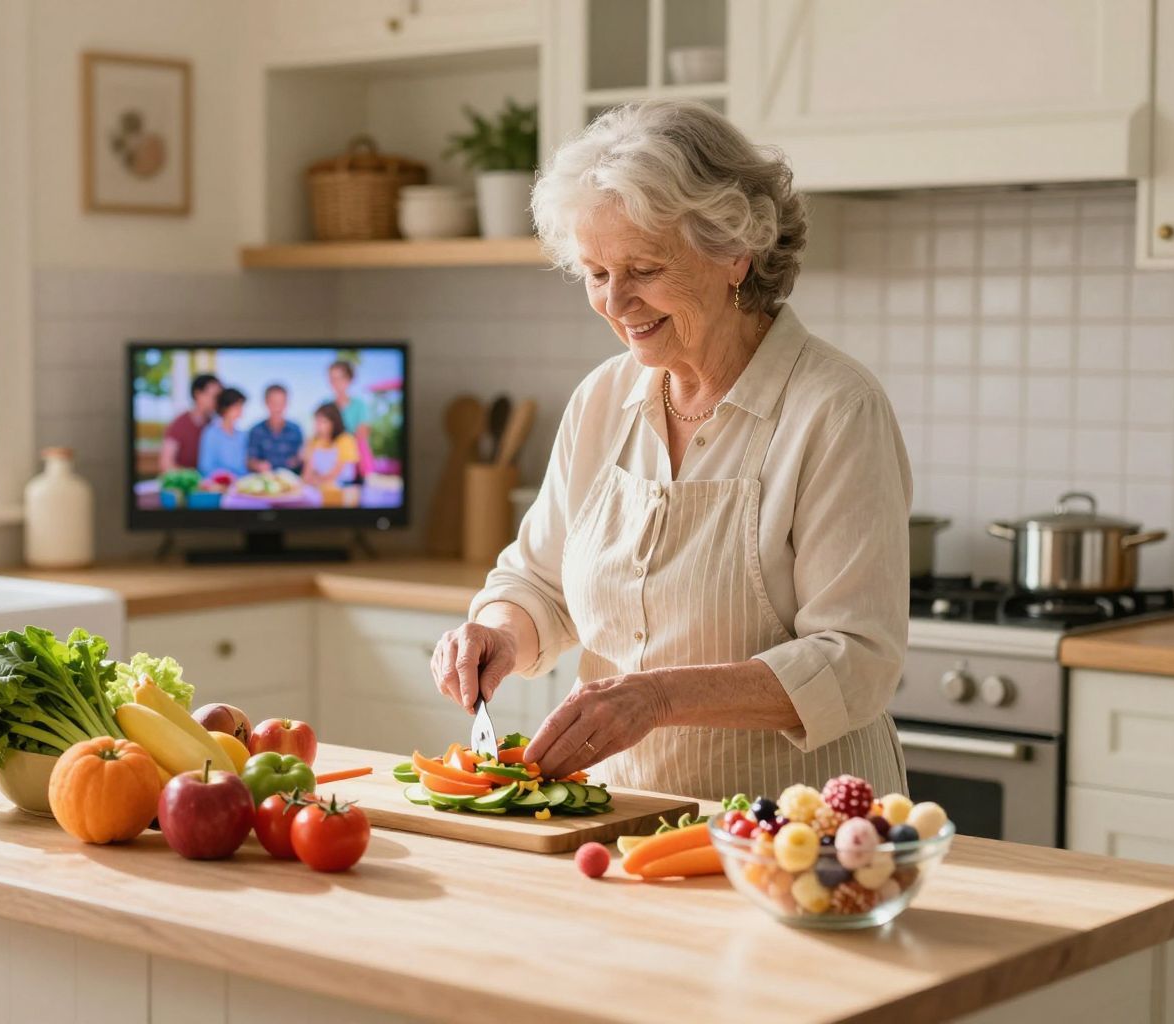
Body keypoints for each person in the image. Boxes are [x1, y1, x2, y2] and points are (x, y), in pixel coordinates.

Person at [428, 100, 910, 801]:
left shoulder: (834, 409)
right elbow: (538, 584)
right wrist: (497, 636)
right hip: (618, 816)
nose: (616, 302)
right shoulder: (603, 399)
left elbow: (855, 662)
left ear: (734, 253)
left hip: (798, 836)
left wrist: (657, 698)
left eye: (644, 268)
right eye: (595, 273)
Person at [159, 373, 220, 472]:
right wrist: (191, 479)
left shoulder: (214, 425)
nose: (217, 401)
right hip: (183, 484)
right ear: (197, 394)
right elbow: (166, 463)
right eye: (214, 396)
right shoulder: (180, 423)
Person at [246, 384, 304, 473]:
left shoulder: (296, 430)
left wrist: (297, 460)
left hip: (290, 483)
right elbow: (250, 461)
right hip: (263, 482)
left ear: (287, 403)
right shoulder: (256, 431)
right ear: (266, 403)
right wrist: (258, 465)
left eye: (282, 403)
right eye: (274, 403)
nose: (278, 408)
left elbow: (300, 459)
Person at [300, 402, 360, 487]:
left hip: (343, 487)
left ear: (334, 423)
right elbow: (307, 472)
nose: (318, 426)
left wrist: (317, 481)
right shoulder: (313, 441)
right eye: (317, 421)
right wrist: (307, 481)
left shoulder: (345, 440)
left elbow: (336, 472)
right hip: (319, 487)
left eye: (323, 422)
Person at [196, 387, 248, 478]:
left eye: (241, 406)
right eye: (237, 407)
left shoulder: (242, 435)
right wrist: (227, 478)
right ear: (225, 408)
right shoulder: (211, 434)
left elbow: (245, 467)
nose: (240, 411)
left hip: (241, 486)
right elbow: (205, 467)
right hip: (218, 486)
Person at [327, 360, 372, 433]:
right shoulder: (326, 405)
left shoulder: (359, 405)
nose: (335, 383)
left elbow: (363, 432)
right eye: (332, 379)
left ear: (349, 379)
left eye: (339, 378)